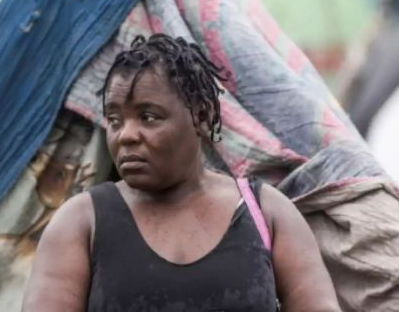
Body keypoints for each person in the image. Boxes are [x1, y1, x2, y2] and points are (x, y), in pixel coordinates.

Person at [23, 34, 340, 311]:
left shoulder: (264, 212)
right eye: (115, 121)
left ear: (200, 116)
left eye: (148, 117)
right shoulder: (80, 223)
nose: (126, 135)